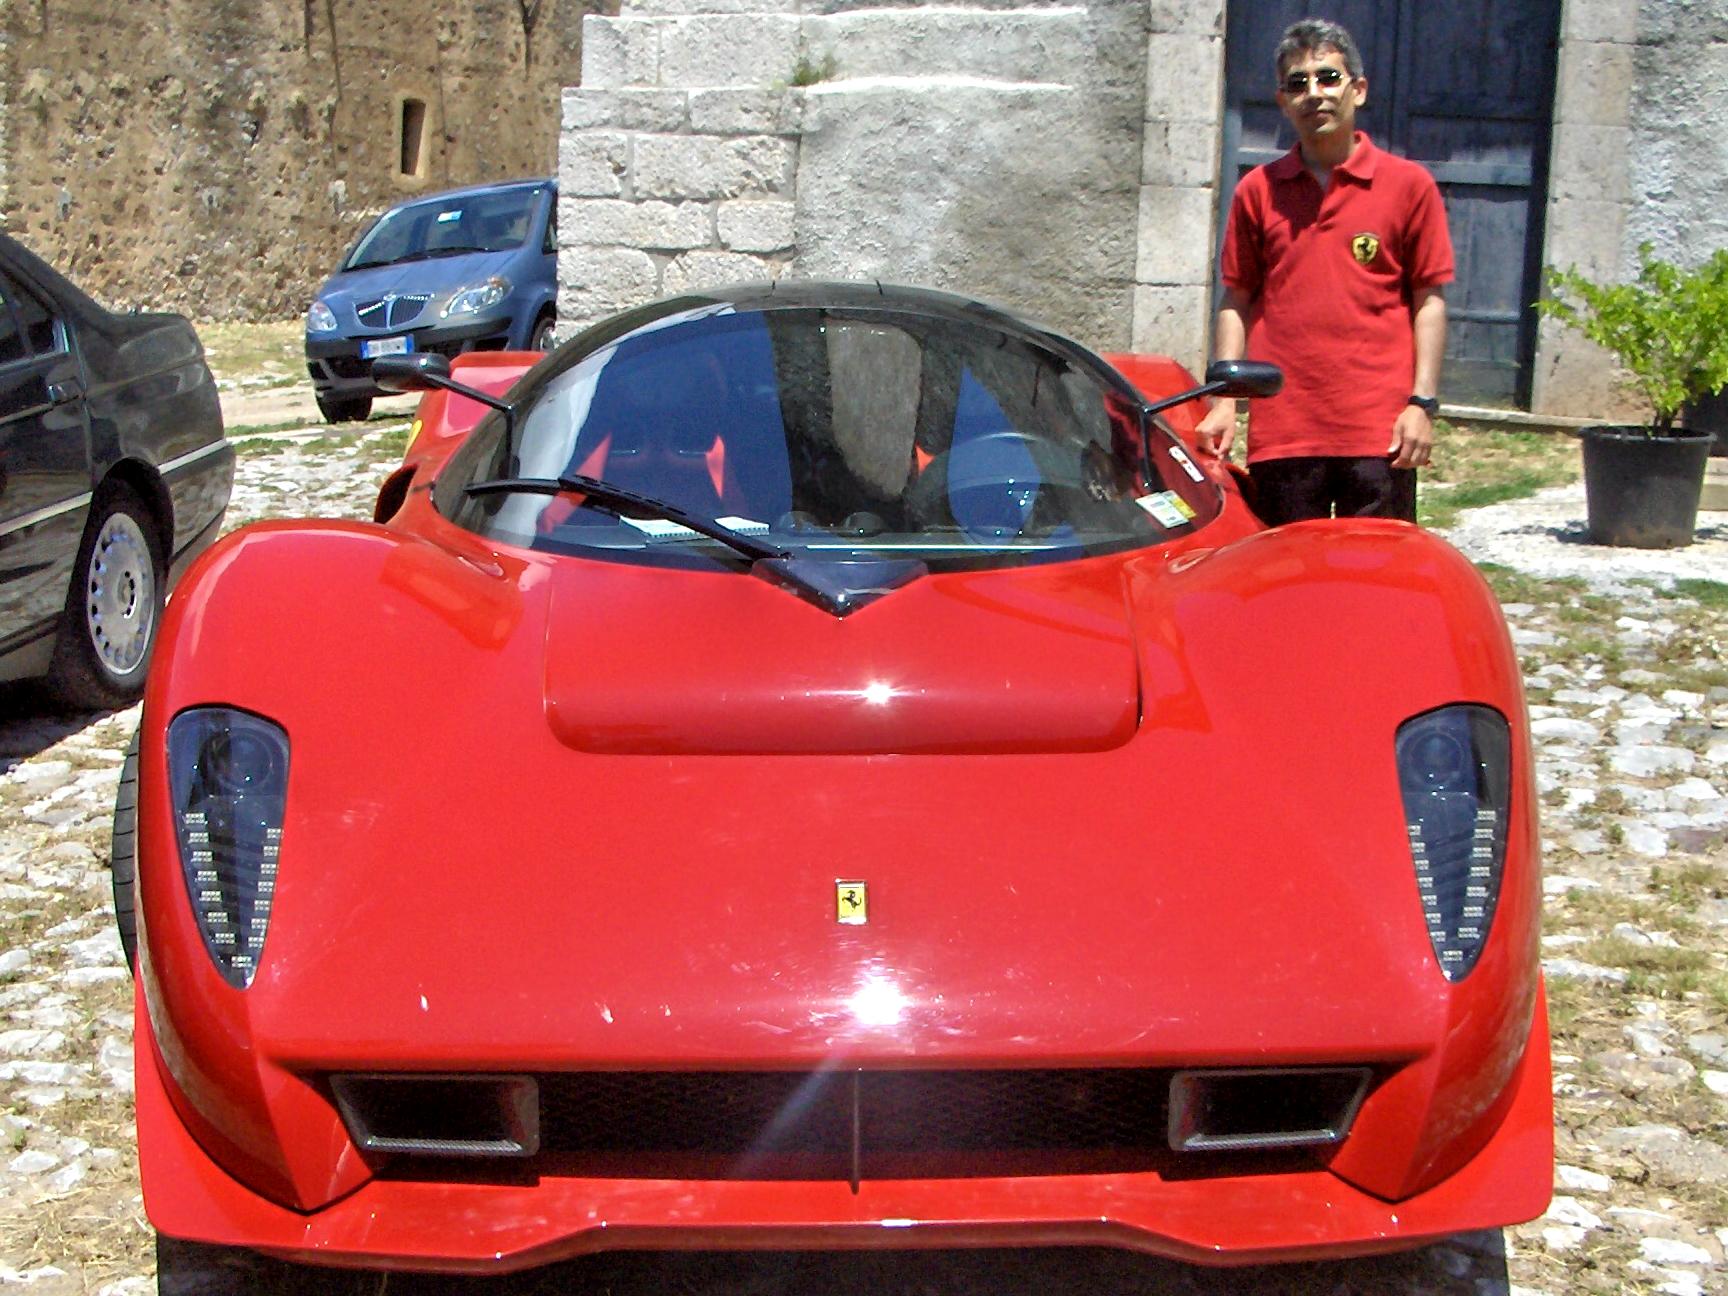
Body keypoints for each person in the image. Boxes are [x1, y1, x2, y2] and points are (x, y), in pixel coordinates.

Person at [1194, 17, 1453, 525]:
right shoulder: (1257, 192)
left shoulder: (1409, 186)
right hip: (1285, 431)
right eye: (1298, 83)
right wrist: (1224, 402)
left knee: (1375, 569)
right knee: (1286, 570)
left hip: (1379, 432)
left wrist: (1422, 404)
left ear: (1358, 89)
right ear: (1283, 101)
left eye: (1328, 77)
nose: (1314, 93)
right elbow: (1236, 300)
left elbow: (1429, 301)